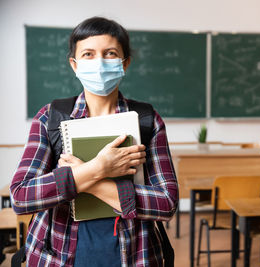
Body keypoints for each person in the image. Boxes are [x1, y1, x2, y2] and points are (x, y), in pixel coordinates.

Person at [10, 16, 178, 267]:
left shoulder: (146, 120)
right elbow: (21, 197)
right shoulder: (50, 117)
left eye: (110, 53)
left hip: (134, 255)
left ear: (125, 63)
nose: (99, 63)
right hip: (58, 254)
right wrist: (100, 168)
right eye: (88, 54)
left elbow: (166, 203)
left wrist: (86, 178)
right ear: (74, 64)